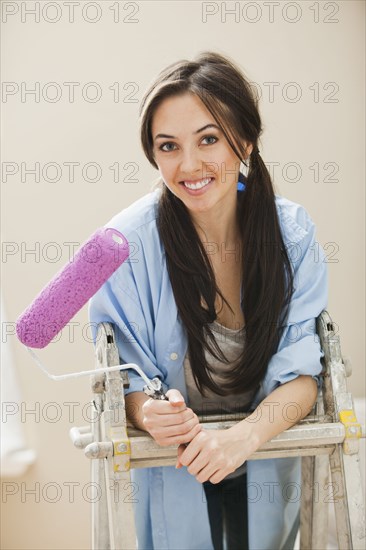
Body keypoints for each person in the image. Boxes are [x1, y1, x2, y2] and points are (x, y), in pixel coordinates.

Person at [89, 51, 328, 550]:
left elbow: (304, 376)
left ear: (244, 140)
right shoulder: (125, 248)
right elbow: (124, 379)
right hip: (173, 467)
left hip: (265, 452)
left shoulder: (292, 235)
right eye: (168, 146)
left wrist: (242, 438)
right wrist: (145, 412)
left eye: (209, 139)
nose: (189, 165)